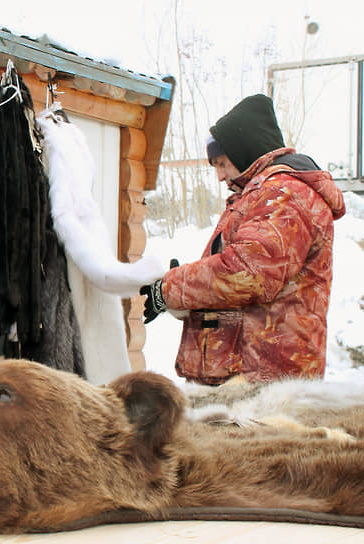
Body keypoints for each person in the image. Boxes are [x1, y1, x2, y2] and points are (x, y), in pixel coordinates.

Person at [141, 94, 346, 384]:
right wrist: (188, 292)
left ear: (243, 150)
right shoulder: (259, 194)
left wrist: (171, 288)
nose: (220, 176)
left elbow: (247, 273)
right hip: (245, 373)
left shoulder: (284, 195)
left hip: (263, 384)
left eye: (222, 163)